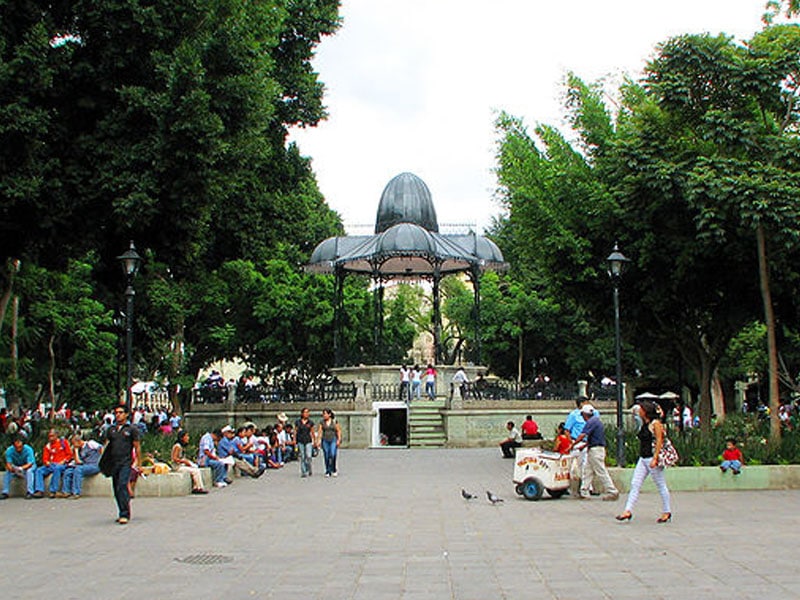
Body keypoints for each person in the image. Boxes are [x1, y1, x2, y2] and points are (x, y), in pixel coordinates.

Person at [616, 400, 672, 523]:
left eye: (641, 409)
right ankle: (628, 510)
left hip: (651, 457)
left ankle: (667, 511)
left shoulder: (655, 424)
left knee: (661, 485)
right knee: (635, 483)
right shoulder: (644, 423)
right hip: (643, 458)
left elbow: (659, 440)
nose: (638, 411)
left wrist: (656, 458)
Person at [570, 405, 619, 501]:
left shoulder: (590, 422)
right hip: (594, 449)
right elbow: (593, 437)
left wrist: (573, 445)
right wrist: (583, 446)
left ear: (585, 414)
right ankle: (584, 491)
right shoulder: (596, 421)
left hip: (595, 450)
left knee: (601, 471)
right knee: (587, 471)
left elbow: (582, 435)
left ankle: (612, 491)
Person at [103, 405, 141, 524]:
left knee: (122, 485)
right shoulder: (111, 429)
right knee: (116, 489)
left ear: (126, 415)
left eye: (120, 412)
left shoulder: (131, 429)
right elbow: (106, 445)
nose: (118, 415)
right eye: (116, 413)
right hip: (114, 462)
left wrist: (138, 462)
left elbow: (137, 446)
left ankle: (124, 513)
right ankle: (121, 509)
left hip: (125, 462)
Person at [34, 428, 73, 498]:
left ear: (56, 435)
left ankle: (53, 491)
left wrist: (64, 461)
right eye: (49, 436)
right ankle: (39, 490)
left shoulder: (63, 442)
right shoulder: (48, 446)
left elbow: (69, 454)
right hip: (51, 464)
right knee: (39, 470)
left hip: (61, 464)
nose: (50, 438)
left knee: (57, 468)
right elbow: (45, 459)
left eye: (52, 436)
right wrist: (47, 462)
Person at [62, 433, 103, 498]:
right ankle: (66, 491)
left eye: (73, 443)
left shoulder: (90, 443)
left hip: (94, 465)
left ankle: (76, 492)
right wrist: (75, 451)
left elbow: (101, 448)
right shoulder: (78, 449)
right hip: (84, 466)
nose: (73, 445)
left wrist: (102, 460)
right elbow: (78, 462)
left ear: (78, 441)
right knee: (68, 471)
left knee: (78, 470)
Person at [1, 434, 36, 499]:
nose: (18, 449)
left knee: (29, 471)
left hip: (27, 466)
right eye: (16, 447)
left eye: (20, 447)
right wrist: (11, 468)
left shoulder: (28, 449)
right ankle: (5, 492)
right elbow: (8, 463)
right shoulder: (9, 450)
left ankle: (30, 492)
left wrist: (21, 468)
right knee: (7, 472)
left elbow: (30, 463)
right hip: (16, 466)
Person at [317, 408, 342, 477]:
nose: (324, 415)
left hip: (333, 439)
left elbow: (338, 430)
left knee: (333, 454)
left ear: (329, 414)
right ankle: (328, 470)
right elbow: (320, 431)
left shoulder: (334, 421)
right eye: (323, 414)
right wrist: (318, 440)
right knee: (326, 455)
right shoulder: (322, 422)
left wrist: (339, 440)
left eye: (325, 414)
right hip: (325, 440)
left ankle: (333, 469)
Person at [294, 407, 316, 477]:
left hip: (308, 440)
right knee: (303, 456)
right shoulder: (298, 422)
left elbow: (312, 432)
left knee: (309, 456)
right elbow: (295, 431)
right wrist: (294, 440)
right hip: (300, 440)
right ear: (302, 413)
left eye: (307, 412)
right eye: (305, 412)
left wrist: (314, 441)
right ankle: (303, 471)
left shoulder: (310, 422)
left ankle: (309, 468)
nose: (306, 414)